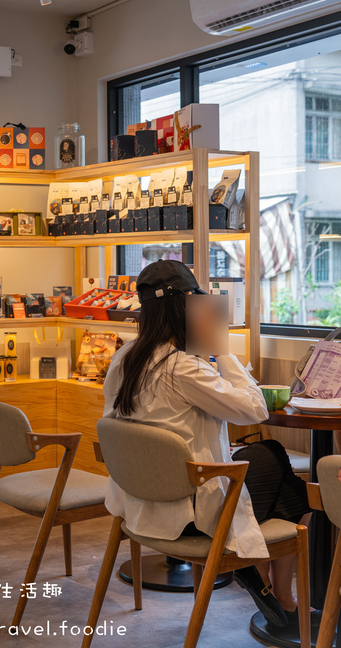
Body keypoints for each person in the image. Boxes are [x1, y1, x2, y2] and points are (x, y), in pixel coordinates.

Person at [103, 260, 310, 629]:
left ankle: (271, 590)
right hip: (189, 515)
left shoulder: (124, 357)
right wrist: (223, 350)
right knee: (279, 464)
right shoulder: (182, 367)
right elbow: (255, 409)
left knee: (268, 461)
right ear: (184, 308)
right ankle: (282, 597)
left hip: (138, 503)